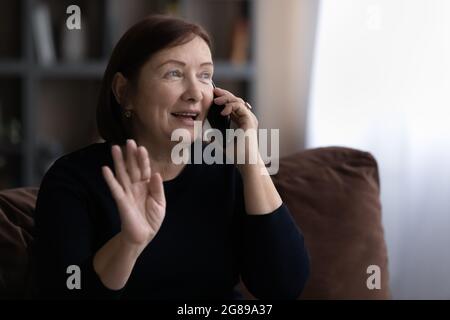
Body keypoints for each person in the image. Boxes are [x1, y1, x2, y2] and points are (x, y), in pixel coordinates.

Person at [33, 14, 309, 299]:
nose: (194, 93)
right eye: (174, 73)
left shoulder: (226, 170)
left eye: (204, 75)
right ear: (124, 91)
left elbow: (284, 287)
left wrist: (251, 161)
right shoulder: (72, 180)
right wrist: (129, 243)